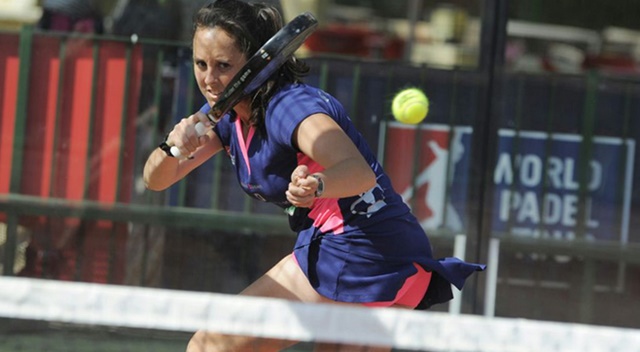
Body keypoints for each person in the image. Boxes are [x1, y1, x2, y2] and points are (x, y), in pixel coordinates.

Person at [142, 0, 485, 350]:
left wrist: (318, 185)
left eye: (223, 65)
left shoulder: (291, 108)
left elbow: (358, 173)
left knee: (210, 346)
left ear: (258, 62)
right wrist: (173, 148)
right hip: (393, 252)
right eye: (201, 64)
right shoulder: (224, 115)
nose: (209, 79)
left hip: (357, 250)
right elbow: (156, 180)